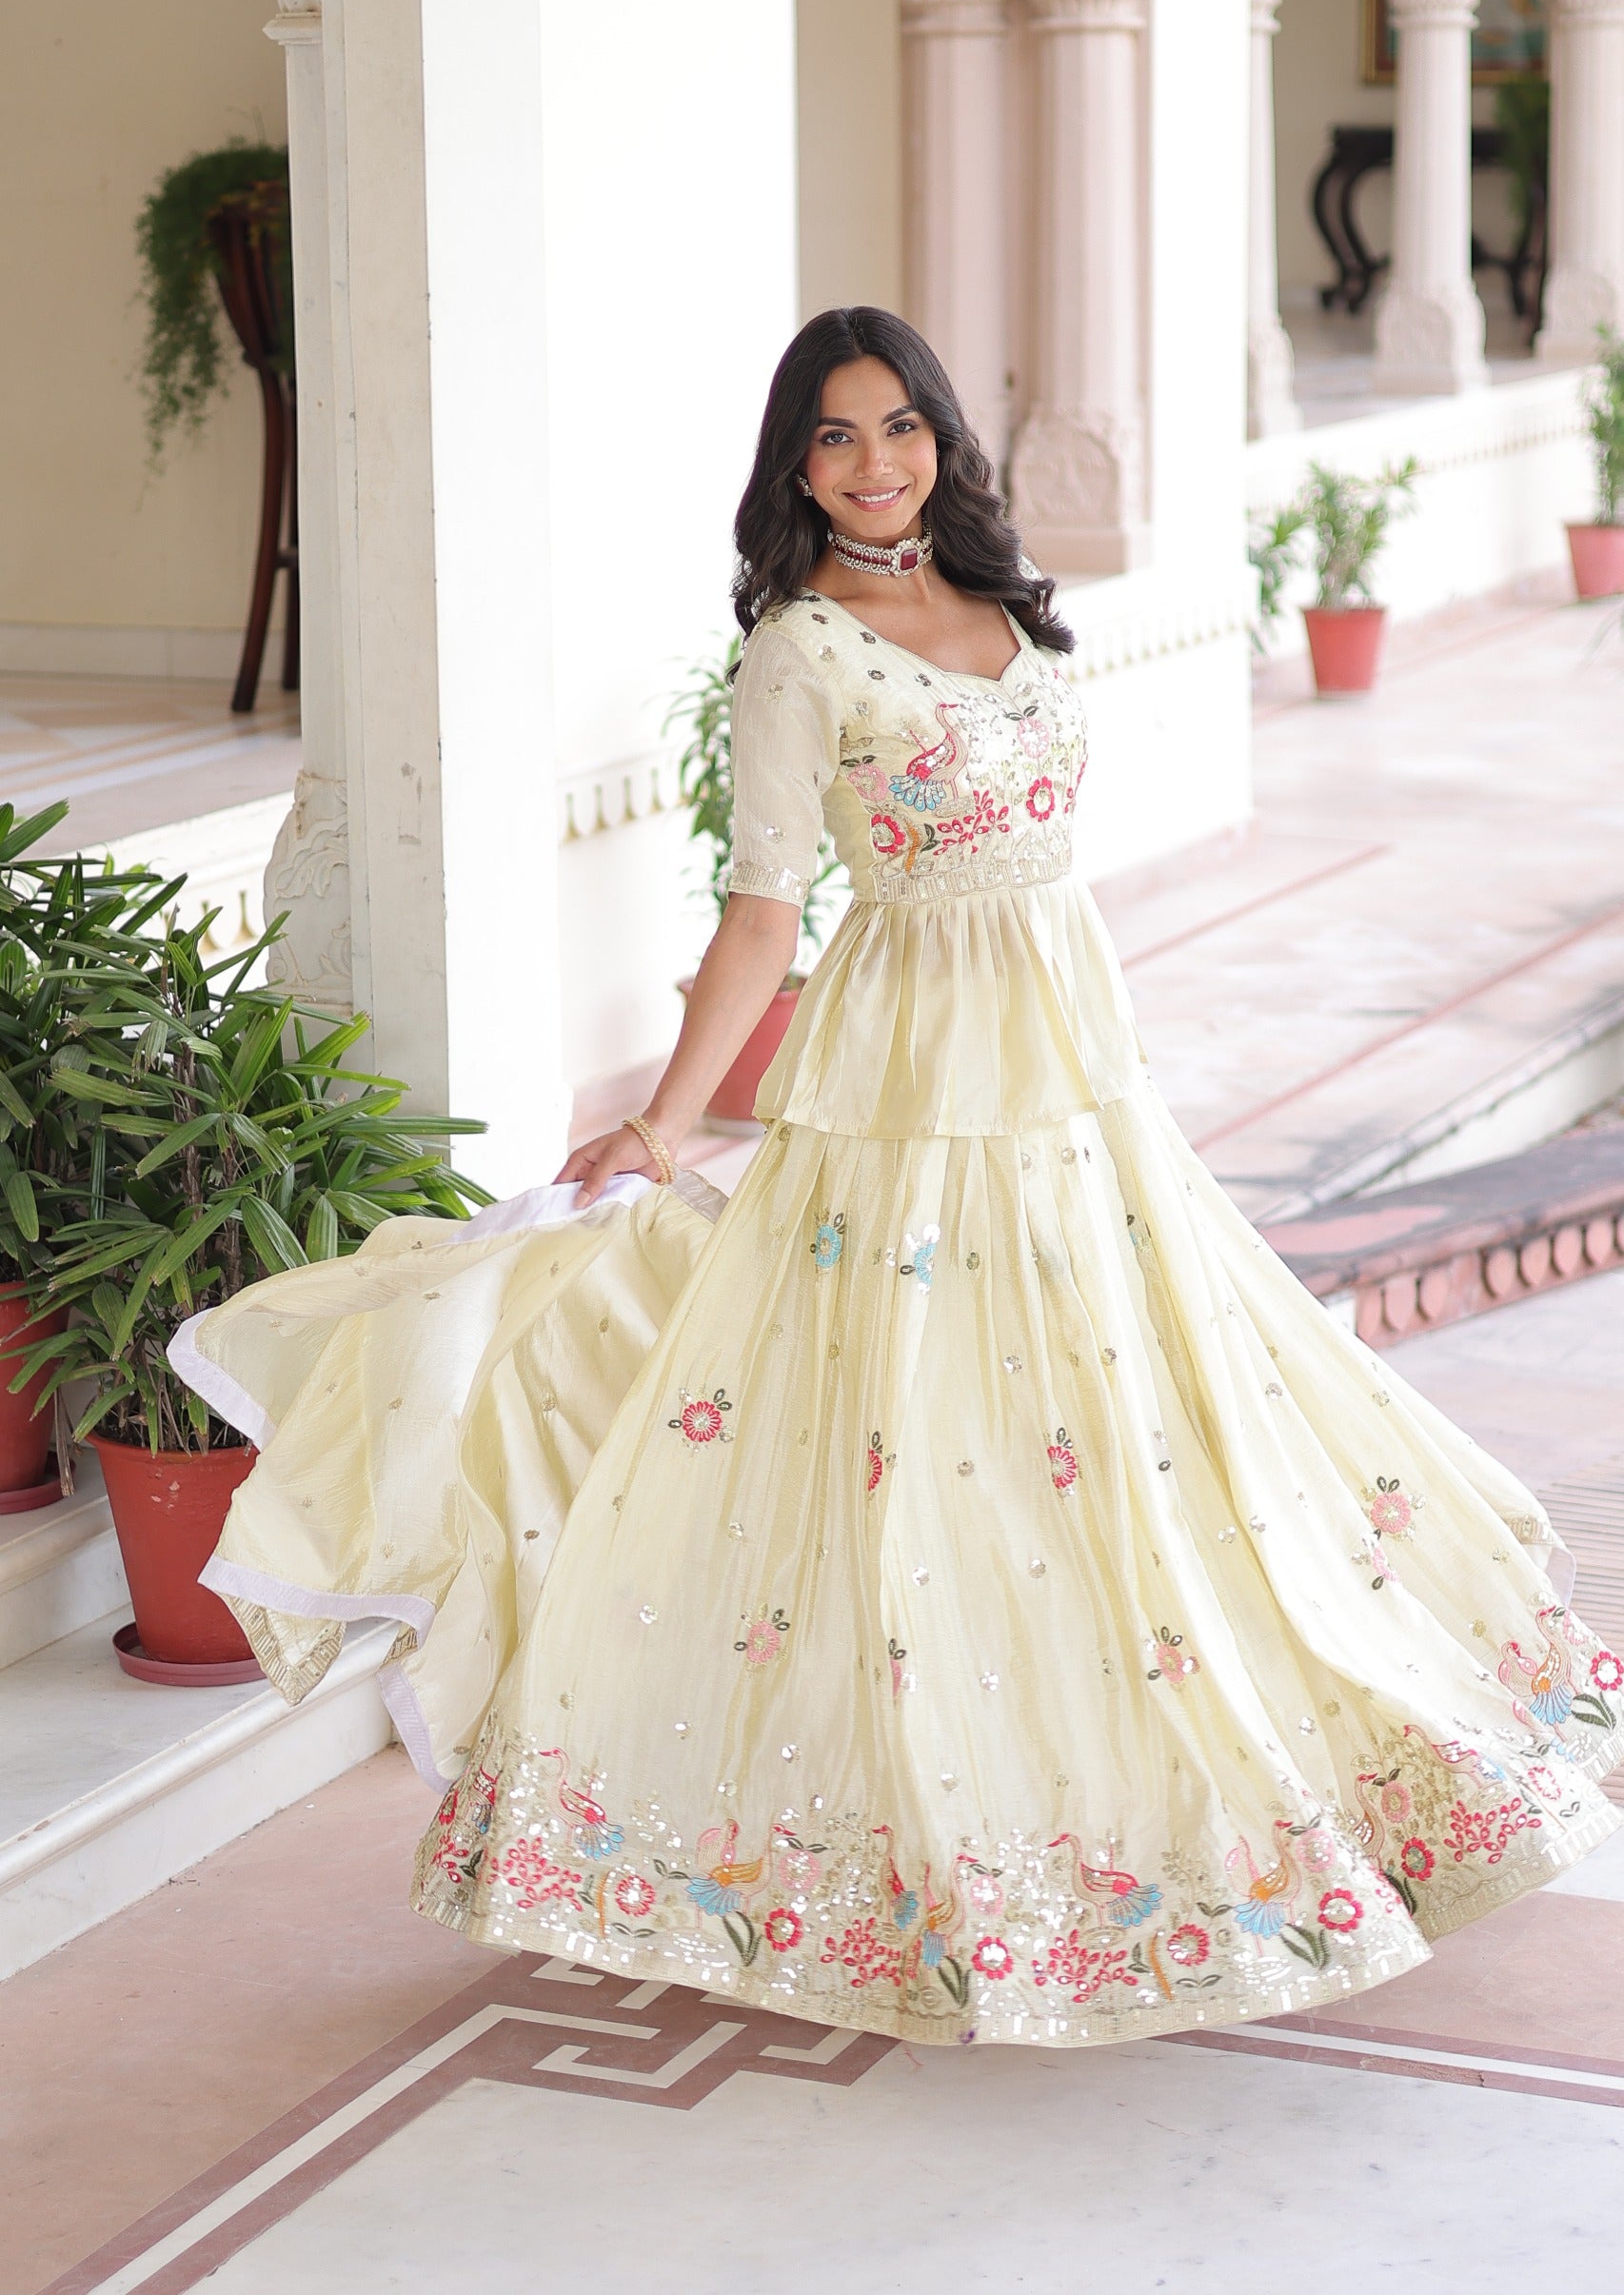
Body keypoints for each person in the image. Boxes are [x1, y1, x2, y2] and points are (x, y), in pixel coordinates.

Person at [176, 306, 1623, 2050]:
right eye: (835, 440)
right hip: (911, 1078)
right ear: (793, 469)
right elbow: (765, 912)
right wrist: (664, 1119)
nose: (875, 466)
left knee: (1135, 1423)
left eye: (900, 426)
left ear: (944, 431)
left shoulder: (1006, 603)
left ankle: (1195, 1793)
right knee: (909, 1447)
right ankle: (934, 1852)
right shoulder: (797, 650)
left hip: (1071, 1068)